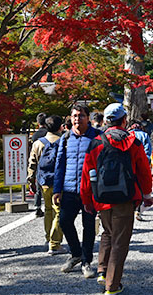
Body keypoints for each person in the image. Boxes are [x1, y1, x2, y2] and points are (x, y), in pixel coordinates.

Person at [80, 103, 153, 295]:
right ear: (124, 120)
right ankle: (112, 286)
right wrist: (147, 194)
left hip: (102, 198)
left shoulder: (95, 143)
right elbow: (144, 171)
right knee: (120, 241)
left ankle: (103, 271)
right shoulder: (133, 142)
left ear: (105, 121)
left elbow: (87, 174)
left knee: (108, 232)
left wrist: (87, 200)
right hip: (126, 198)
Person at [53, 104, 101, 278]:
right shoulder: (65, 138)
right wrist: (57, 189)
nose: (77, 119)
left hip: (90, 190)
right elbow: (59, 165)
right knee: (64, 222)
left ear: (88, 118)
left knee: (88, 226)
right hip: (69, 189)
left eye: (81, 116)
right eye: (74, 116)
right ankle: (76, 253)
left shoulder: (98, 136)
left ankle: (87, 261)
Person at [27, 115, 65, 254]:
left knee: (48, 209)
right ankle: (55, 244)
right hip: (60, 182)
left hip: (44, 182)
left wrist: (31, 180)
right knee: (59, 211)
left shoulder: (38, 143)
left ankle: (48, 238)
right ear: (60, 127)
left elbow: (32, 164)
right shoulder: (64, 141)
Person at [127, 120, 152, 221]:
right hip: (142, 161)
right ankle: (138, 210)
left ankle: (131, 208)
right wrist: (147, 160)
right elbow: (148, 149)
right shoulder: (145, 135)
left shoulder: (128, 134)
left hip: (130, 163)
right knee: (140, 187)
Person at [30, 112, 48, 217]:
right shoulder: (49, 134)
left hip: (38, 163)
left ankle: (37, 207)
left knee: (38, 187)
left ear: (38, 122)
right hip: (49, 164)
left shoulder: (35, 136)